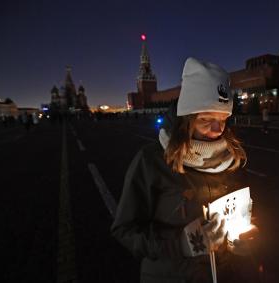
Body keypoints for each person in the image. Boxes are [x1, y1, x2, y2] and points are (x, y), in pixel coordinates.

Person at [111, 58, 262, 283]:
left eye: (223, 119)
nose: (217, 130)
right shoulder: (152, 161)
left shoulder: (233, 157)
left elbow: (243, 212)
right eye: (205, 119)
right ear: (186, 119)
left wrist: (245, 239)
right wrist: (181, 243)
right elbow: (125, 230)